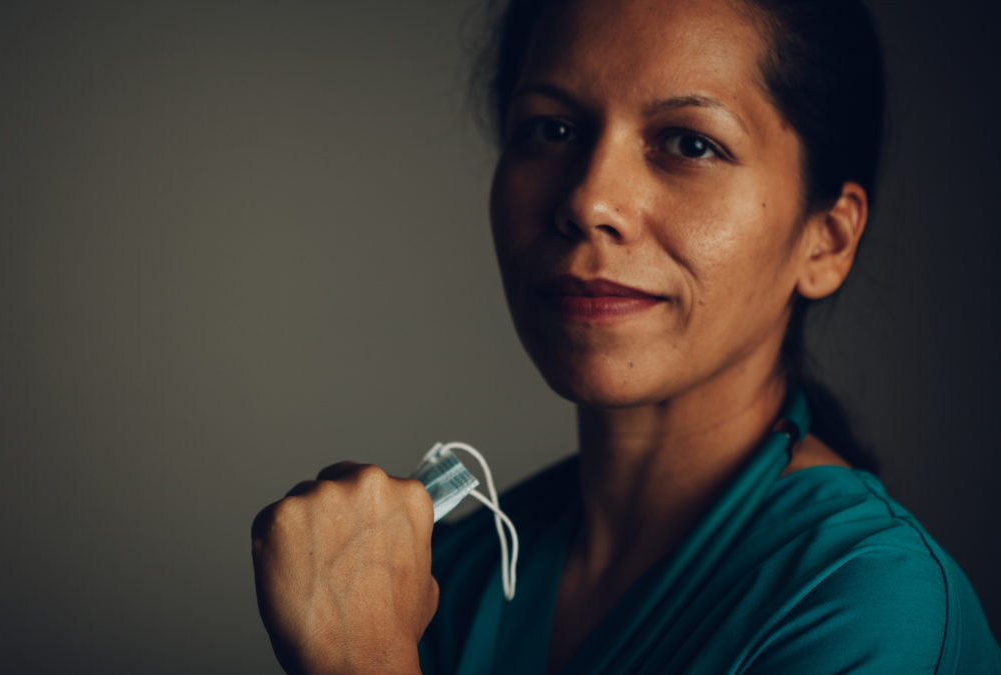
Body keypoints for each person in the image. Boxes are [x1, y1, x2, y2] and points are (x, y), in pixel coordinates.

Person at [251, 0, 1001, 672]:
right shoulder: (444, 576)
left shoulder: (875, 609)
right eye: (552, 129)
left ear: (825, 241)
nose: (589, 200)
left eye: (691, 143)